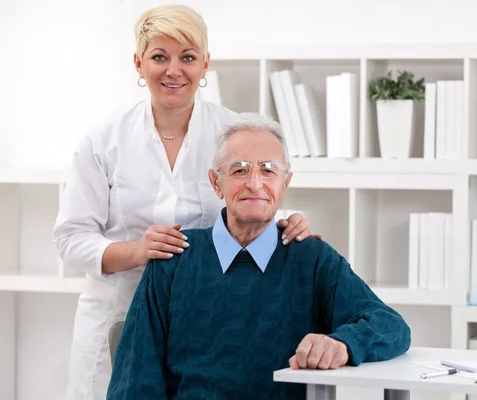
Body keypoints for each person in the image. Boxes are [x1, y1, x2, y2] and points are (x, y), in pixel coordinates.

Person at [52, 6, 319, 400]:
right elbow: (70, 239)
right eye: (159, 56)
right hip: (117, 316)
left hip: (201, 321)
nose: (173, 70)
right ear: (139, 63)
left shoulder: (234, 132)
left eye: (188, 58)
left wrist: (285, 222)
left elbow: (248, 199)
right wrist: (135, 251)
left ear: (205, 64)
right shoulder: (102, 141)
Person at [106, 113, 411, 399]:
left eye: (268, 170)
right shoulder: (173, 259)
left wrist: (344, 343)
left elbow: (390, 325)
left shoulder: (311, 258)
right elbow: (134, 378)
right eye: (240, 169)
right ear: (216, 183)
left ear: (285, 183)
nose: (255, 183)